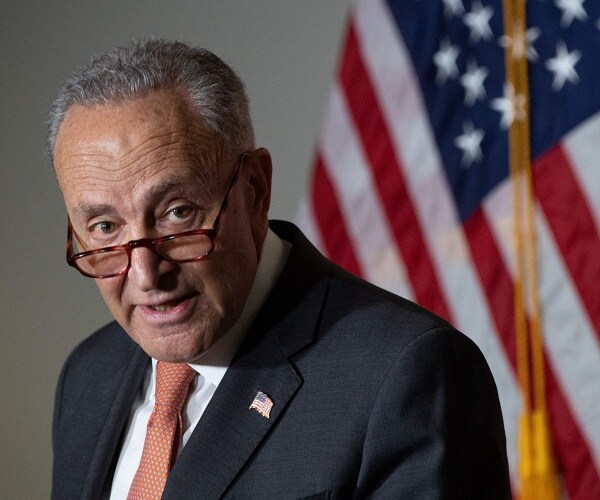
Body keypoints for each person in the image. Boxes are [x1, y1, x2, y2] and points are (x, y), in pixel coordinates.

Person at [50, 39, 510, 499]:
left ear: (255, 188)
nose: (146, 275)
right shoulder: (89, 375)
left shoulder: (406, 377)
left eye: (178, 213)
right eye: (105, 227)